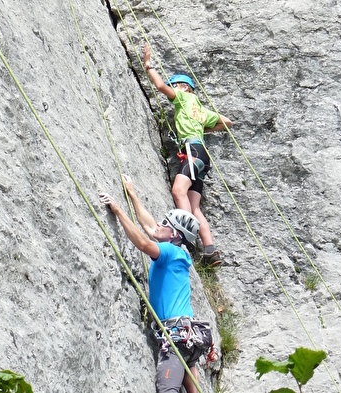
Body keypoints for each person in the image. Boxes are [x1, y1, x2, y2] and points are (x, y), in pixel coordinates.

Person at [99, 175, 212, 393]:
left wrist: (118, 210)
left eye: (165, 224)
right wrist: (132, 194)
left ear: (174, 234)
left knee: (166, 388)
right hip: (186, 335)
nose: (159, 224)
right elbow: (150, 226)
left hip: (176, 336)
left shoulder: (169, 251)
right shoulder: (179, 252)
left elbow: (143, 242)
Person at [143, 43, 233, 266]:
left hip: (192, 150)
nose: (173, 91)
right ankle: (210, 250)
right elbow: (227, 122)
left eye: (176, 87)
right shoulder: (201, 110)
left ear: (183, 87)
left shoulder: (184, 99)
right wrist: (202, 129)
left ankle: (186, 237)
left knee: (177, 190)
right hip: (201, 152)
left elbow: (160, 86)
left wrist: (148, 65)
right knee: (194, 207)